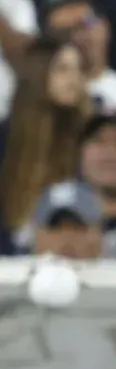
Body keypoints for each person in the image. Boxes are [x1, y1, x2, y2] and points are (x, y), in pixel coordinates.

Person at [0, 36, 89, 250]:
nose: (74, 79)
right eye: (62, 69)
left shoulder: (90, 138)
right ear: (37, 74)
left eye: (79, 69)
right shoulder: (6, 140)